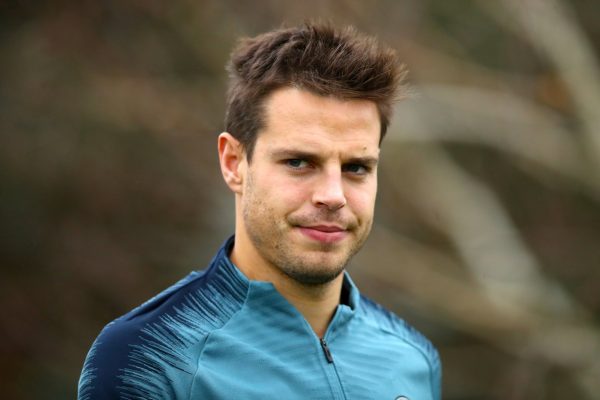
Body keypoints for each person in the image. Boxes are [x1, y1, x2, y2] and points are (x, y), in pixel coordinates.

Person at [78, 22, 441, 400]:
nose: (333, 196)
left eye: (356, 167)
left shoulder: (412, 360)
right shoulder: (149, 360)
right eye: (299, 162)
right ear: (234, 163)